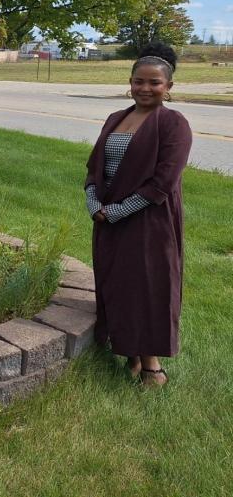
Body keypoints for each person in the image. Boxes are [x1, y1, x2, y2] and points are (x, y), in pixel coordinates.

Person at [84, 42, 192, 388]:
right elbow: (94, 166)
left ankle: (152, 368)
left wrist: (116, 211)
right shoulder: (116, 118)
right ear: (129, 82)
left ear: (169, 87)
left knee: (148, 289)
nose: (145, 89)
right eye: (139, 81)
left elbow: (163, 184)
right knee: (117, 284)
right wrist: (93, 202)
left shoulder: (174, 125)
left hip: (149, 222)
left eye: (154, 83)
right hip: (108, 219)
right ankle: (127, 351)